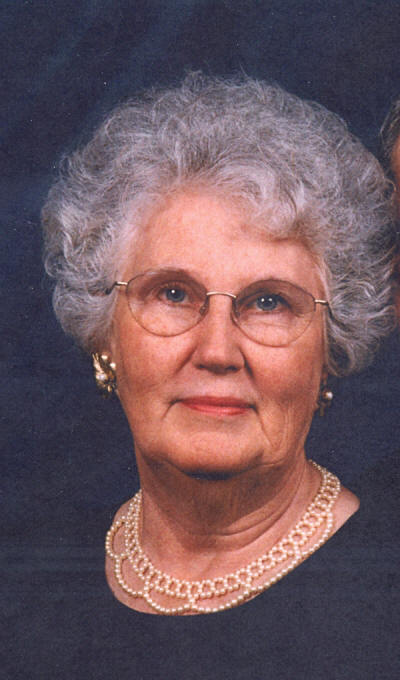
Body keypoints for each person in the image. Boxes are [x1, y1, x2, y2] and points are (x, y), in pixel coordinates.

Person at [41, 73, 395, 619]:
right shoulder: (33, 570)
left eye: (269, 302)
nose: (217, 351)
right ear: (104, 331)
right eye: (173, 294)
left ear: (330, 348)